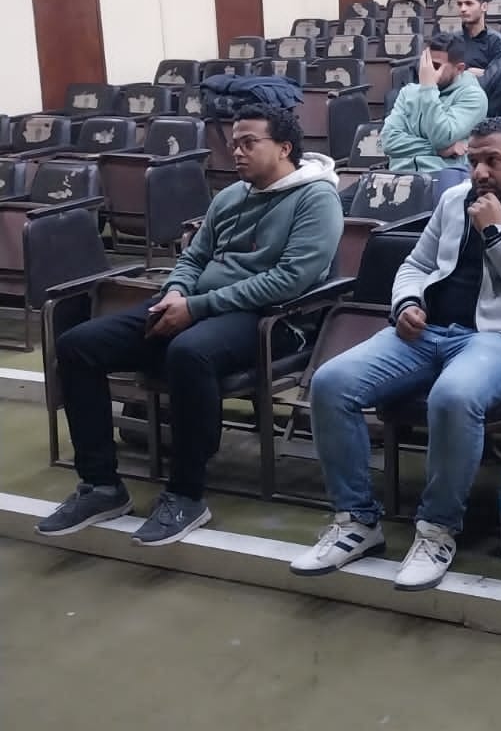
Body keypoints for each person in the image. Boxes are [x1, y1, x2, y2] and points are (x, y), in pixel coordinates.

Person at [291, 118, 501, 590]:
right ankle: (356, 521)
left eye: (493, 161)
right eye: (473, 161)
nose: (480, 172)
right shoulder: (454, 200)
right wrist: (407, 302)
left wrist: (497, 234)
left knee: (452, 396)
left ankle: (436, 530)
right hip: (426, 332)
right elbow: (417, 264)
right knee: (331, 383)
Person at [38, 105, 340, 544]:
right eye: (234, 143)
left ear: (284, 148)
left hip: (273, 319)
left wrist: (196, 308)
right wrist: (176, 292)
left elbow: (290, 279)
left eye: (249, 143)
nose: (237, 152)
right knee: (78, 345)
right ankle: (101, 486)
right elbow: (194, 257)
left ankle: (185, 495)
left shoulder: (317, 199)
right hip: (196, 304)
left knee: (188, 352)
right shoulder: (231, 196)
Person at [379, 35, 489, 173]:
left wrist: (428, 89)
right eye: (426, 64)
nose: (427, 71)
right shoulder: (408, 92)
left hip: (442, 176)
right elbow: (388, 141)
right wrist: (437, 150)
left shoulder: (473, 97)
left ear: (459, 69)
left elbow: (441, 138)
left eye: (435, 66)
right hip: (399, 176)